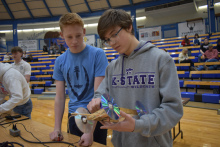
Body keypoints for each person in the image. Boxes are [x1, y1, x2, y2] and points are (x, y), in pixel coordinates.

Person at [87, 9, 183, 147]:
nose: (112, 42)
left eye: (114, 34)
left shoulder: (161, 60)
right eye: (107, 40)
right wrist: (96, 100)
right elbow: (101, 94)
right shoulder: (112, 67)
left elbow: (173, 108)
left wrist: (139, 125)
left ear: (129, 27)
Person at [49, 13, 108, 146]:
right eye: (69, 37)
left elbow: (98, 96)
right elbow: (59, 98)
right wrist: (57, 128)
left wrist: (89, 131)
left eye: (78, 35)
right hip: (74, 117)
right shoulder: (60, 61)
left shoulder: (98, 55)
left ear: (84, 32)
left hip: (96, 118)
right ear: (62, 35)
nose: (74, 41)